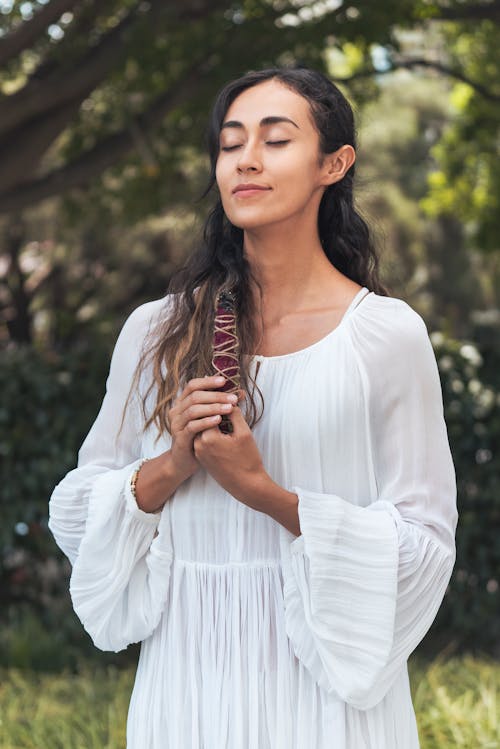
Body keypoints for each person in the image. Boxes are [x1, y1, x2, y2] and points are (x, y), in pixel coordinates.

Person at [48, 66, 458, 748]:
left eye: (275, 139)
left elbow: (424, 545)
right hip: (186, 689)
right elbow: (80, 509)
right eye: (231, 142)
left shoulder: (385, 336)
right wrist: (171, 465)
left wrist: (263, 492)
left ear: (335, 162)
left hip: (326, 701)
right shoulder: (158, 332)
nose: (246, 159)